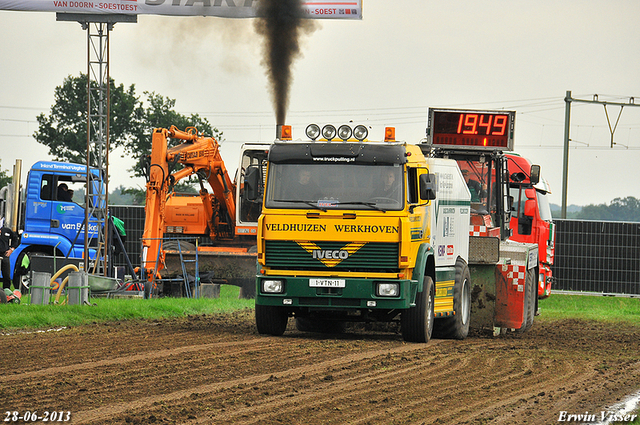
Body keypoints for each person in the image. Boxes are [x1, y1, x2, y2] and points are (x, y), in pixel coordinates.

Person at [0, 223, 20, 291]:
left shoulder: (7, 230)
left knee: (6, 275)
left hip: (5, 255)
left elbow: (15, 239)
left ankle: (6, 292)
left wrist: (11, 249)